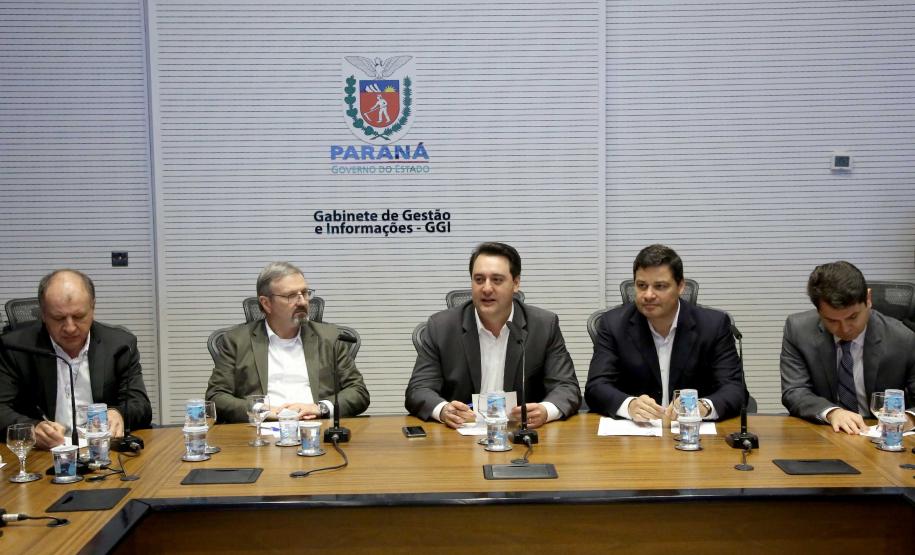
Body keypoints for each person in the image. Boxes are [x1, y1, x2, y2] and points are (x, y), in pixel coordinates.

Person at [405, 242, 581, 428]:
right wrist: (443, 410)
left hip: (520, 433)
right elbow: (419, 389)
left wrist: (545, 411)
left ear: (515, 283)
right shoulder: (441, 327)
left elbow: (566, 387)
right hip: (460, 434)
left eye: (497, 280)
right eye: (479, 279)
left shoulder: (543, 325)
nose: (487, 288)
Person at [586, 244, 745, 421]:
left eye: (660, 286)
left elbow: (734, 390)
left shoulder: (713, 325)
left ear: (681, 286)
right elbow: (596, 387)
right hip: (636, 431)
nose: (648, 295)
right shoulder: (613, 325)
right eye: (641, 285)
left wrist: (703, 407)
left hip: (692, 431)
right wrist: (629, 405)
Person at [0, 269, 152, 449]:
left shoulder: (120, 345)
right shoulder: (15, 348)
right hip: (44, 453)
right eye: (58, 318)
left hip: (104, 450)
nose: (70, 328)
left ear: (93, 308)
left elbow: (140, 405)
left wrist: (118, 413)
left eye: (79, 316)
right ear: (43, 314)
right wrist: (32, 428)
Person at [206, 262, 369, 423]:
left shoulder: (330, 338)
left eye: (304, 293)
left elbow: (358, 392)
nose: (302, 302)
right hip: (262, 431)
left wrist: (320, 408)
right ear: (266, 303)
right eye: (291, 296)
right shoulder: (237, 341)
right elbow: (216, 396)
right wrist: (262, 411)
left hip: (315, 428)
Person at [780, 261, 915, 434]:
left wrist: (909, 419)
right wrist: (832, 412)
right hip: (827, 433)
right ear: (818, 311)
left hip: (881, 435)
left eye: (853, 317)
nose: (844, 329)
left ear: (868, 299)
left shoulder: (903, 339)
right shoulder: (798, 330)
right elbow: (795, 391)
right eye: (832, 320)